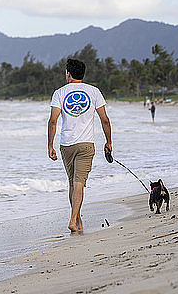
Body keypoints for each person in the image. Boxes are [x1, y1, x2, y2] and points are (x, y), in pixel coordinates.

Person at [47, 59, 112, 233]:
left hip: (66, 145)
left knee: (73, 184)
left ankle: (77, 219)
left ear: (68, 73)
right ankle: (74, 220)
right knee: (79, 184)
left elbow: (53, 121)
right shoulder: (94, 91)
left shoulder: (59, 93)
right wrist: (109, 141)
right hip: (86, 145)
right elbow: (104, 119)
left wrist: (50, 146)